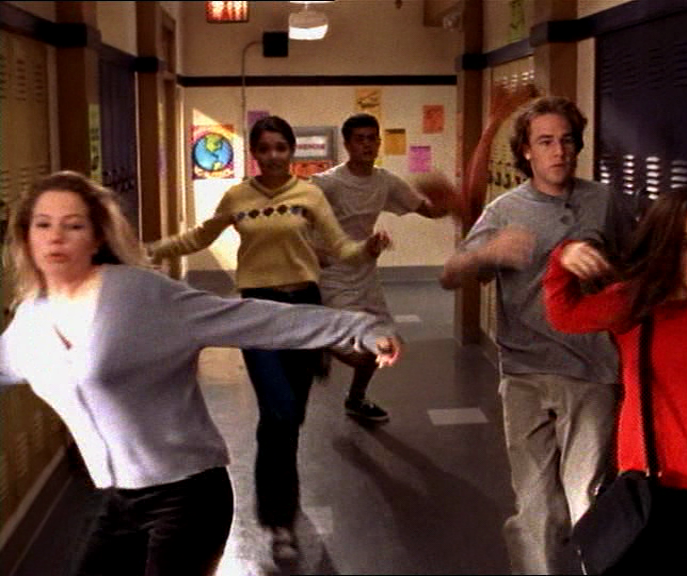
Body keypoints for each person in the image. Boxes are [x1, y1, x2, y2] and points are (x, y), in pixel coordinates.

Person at [0, 170, 400, 576]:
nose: (55, 237)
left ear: (97, 236)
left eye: (73, 226)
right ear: (25, 237)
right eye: (43, 225)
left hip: (187, 494)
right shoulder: (30, 321)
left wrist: (356, 328)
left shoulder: (140, 294)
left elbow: (248, 318)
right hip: (117, 501)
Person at [148, 115, 391, 563]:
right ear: (255, 153)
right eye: (265, 148)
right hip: (257, 313)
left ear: (291, 151)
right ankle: (279, 523)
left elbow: (341, 248)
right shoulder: (237, 197)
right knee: (278, 413)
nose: (274, 156)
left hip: (304, 310)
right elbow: (199, 237)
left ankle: (281, 501)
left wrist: (367, 249)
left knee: (289, 418)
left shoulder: (309, 195)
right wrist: (149, 251)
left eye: (281, 147)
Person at [440, 95, 632, 574]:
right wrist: (487, 254)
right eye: (545, 142)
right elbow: (451, 274)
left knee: (586, 497)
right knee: (536, 506)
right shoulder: (505, 210)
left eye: (566, 140)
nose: (559, 151)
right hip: (525, 372)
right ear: (526, 151)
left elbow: (635, 267)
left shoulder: (604, 201)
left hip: (592, 370)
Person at [544, 185, 687, 574]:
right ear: (665, 247)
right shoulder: (636, 303)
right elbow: (565, 314)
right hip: (650, 500)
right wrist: (564, 257)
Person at [311, 112, 460, 423]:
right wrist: (313, 253)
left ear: (379, 142)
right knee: (362, 351)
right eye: (360, 139)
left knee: (385, 341)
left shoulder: (385, 181)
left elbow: (428, 210)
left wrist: (448, 201)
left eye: (372, 139)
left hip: (365, 272)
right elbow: (298, 223)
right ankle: (319, 341)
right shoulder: (328, 183)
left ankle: (356, 398)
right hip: (332, 274)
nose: (367, 145)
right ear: (347, 144)